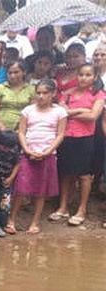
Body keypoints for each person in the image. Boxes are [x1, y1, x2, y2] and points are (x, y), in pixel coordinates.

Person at [10, 80, 67, 235]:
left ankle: (35, 222)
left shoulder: (60, 112)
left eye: (45, 93)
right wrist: (27, 149)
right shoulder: (28, 110)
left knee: (41, 190)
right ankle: (11, 220)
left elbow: (60, 134)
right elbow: (21, 132)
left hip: (47, 154)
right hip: (27, 153)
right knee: (20, 188)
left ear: (53, 94)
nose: (41, 96)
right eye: (39, 93)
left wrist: (48, 151)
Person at [51, 64, 104, 227]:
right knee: (66, 172)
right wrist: (81, 111)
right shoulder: (68, 93)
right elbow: (60, 112)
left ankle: (82, 209)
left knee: (84, 175)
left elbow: (93, 116)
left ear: (94, 77)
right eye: (81, 74)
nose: (84, 78)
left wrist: (72, 111)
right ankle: (63, 206)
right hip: (66, 136)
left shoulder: (99, 94)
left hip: (85, 138)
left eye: (88, 75)